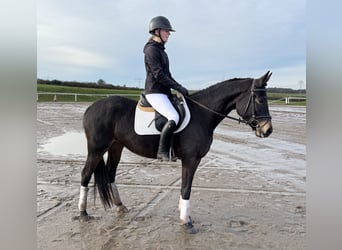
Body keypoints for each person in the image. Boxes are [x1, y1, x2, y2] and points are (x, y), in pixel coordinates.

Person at [143, 16, 189, 161]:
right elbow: (159, 75)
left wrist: (179, 87)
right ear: (157, 31)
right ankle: (162, 151)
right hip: (155, 92)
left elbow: (168, 75)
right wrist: (177, 86)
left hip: (164, 92)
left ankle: (174, 147)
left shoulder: (162, 51)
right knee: (173, 117)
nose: (168, 34)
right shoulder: (151, 50)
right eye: (166, 31)